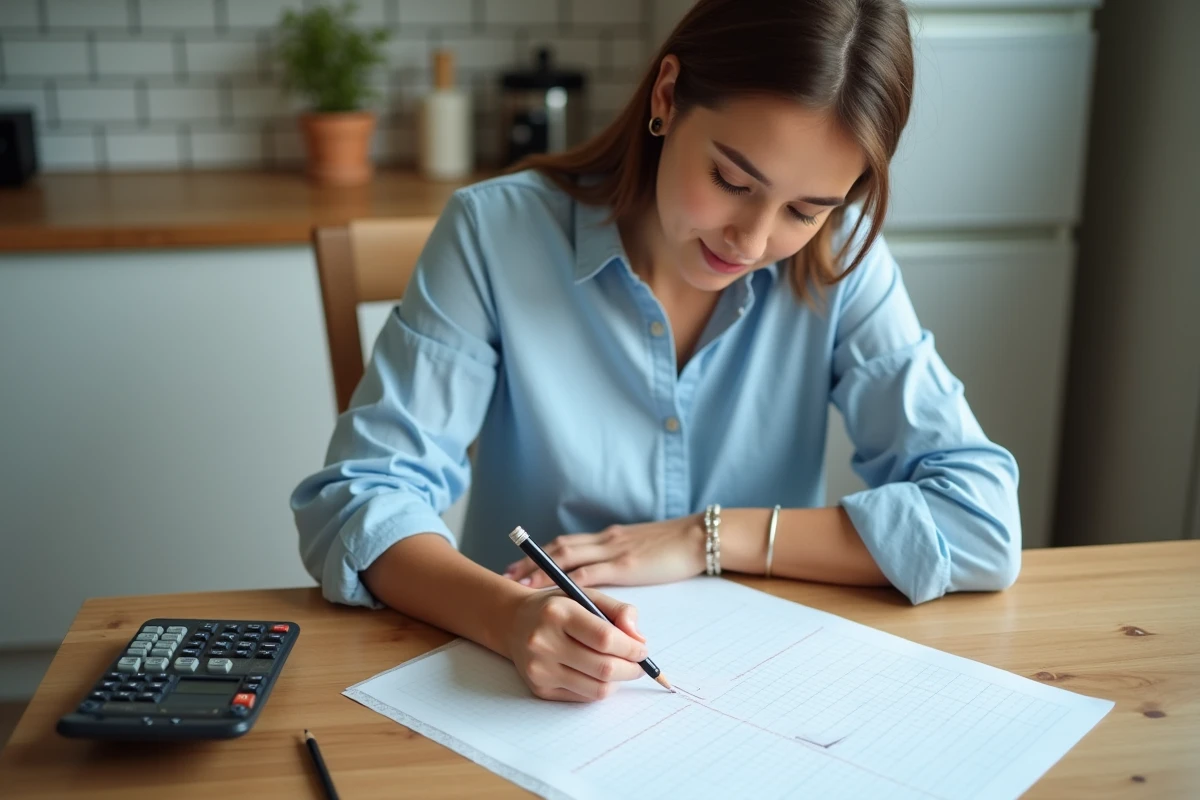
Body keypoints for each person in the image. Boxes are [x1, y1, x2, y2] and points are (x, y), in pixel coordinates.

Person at [291, 0, 1021, 704]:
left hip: (762, 688)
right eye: (733, 181)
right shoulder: (494, 234)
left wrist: (708, 537)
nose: (752, 241)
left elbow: (980, 520)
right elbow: (361, 500)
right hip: (515, 694)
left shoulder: (842, 263)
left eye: (805, 210)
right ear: (667, 96)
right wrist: (507, 619)